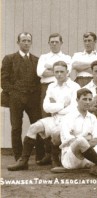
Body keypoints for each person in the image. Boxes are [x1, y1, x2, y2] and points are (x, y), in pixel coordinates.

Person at [7, 61, 80, 171]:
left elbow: (74, 108)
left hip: (69, 121)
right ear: (54, 73)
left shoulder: (75, 86)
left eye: (61, 71)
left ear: (67, 72)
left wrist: (55, 106)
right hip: (54, 118)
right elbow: (46, 107)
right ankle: (23, 161)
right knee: (33, 127)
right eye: (56, 72)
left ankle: (55, 160)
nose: (59, 74)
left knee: (56, 132)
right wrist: (62, 104)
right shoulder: (51, 86)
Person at [1, 32, 44, 162]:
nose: (26, 43)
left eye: (28, 40)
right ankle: (19, 157)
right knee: (16, 127)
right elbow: (4, 80)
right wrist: (13, 94)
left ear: (31, 43)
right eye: (23, 40)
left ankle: (40, 156)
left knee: (38, 126)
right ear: (18, 42)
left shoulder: (36, 60)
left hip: (32, 99)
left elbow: (39, 81)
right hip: (16, 99)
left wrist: (35, 94)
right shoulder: (9, 59)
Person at [37, 33, 72, 117]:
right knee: (46, 113)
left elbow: (68, 72)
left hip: (63, 87)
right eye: (52, 42)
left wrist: (49, 67)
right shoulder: (43, 57)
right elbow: (40, 73)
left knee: (62, 111)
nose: (54, 44)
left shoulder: (67, 57)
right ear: (49, 43)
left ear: (61, 43)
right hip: (46, 87)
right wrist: (59, 70)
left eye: (56, 42)